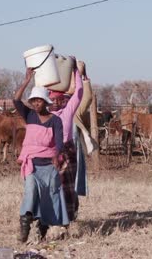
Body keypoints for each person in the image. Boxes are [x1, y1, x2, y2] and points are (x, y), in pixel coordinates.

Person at [14, 68, 69, 243]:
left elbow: (59, 142)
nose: (36, 103)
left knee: (47, 198)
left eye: (39, 100)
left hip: (49, 166)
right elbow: (16, 100)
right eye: (34, 101)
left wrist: (57, 154)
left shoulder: (55, 120)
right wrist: (26, 80)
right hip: (32, 164)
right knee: (30, 192)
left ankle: (42, 232)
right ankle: (24, 228)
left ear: (45, 102)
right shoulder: (29, 115)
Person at [49, 62, 84, 222]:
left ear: (63, 100)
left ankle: (69, 217)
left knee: (68, 186)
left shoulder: (67, 111)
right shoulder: (43, 116)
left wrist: (76, 71)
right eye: (52, 99)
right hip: (50, 151)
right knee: (53, 186)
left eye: (58, 99)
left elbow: (78, 93)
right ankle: (54, 217)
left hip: (67, 151)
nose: (55, 102)